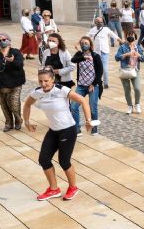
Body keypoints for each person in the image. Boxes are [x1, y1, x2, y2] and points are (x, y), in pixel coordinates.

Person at [23, 66, 92, 201]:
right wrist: (27, 121)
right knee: (43, 159)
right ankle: (54, 189)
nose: (43, 84)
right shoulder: (37, 92)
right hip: (53, 130)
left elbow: (83, 100)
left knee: (64, 161)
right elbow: (27, 105)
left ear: (53, 79)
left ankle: (73, 187)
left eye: (46, 81)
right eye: (40, 81)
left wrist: (88, 120)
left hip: (68, 129)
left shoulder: (62, 90)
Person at [0, 33, 25, 131]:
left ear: (9, 41)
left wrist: (12, 61)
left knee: (14, 104)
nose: (2, 42)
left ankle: (18, 120)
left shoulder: (16, 52)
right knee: (4, 106)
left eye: (4, 39)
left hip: (15, 84)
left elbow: (20, 65)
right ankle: (8, 123)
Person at [70, 37, 103, 136]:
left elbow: (100, 71)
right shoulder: (79, 55)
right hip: (81, 85)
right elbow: (73, 60)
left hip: (93, 86)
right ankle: (77, 128)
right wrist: (83, 55)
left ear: (90, 44)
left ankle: (94, 127)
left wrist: (93, 84)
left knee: (93, 106)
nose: (84, 44)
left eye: (86, 43)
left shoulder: (95, 56)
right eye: (82, 43)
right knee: (73, 106)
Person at [115, 32, 144, 114]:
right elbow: (117, 58)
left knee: (137, 89)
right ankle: (129, 106)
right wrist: (126, 54)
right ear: (126, 37)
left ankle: (137, 104)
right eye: (128, 35)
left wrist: (139, 55)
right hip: (125, 70)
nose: (130, 37)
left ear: (135, 37)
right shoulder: (122, 47)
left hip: (135, 70)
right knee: (127, 90)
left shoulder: (138, 47)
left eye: (132, 35)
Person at [88, 17, 121, 88]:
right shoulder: (92, 30)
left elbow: (113, 35)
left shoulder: (106, 29)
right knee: (96, 68)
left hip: (104, 51)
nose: (100, 23)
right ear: (95, 23)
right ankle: (96, 82)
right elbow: (86, 38)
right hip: (96, 52)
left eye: (101, 22)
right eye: (98, 22)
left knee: (105, 68)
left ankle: (106, 83)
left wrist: (120, 40)